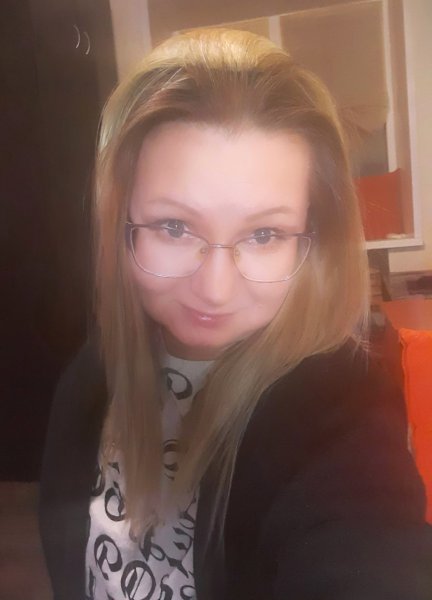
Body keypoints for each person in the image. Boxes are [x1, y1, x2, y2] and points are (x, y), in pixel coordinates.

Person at [39, 28, 432, 600]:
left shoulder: (341, 407)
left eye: (264, 234)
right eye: (174, 227)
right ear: (121, 224)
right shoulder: (93, 371)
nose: (215, 289)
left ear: (311, 241)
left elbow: (366, 545)